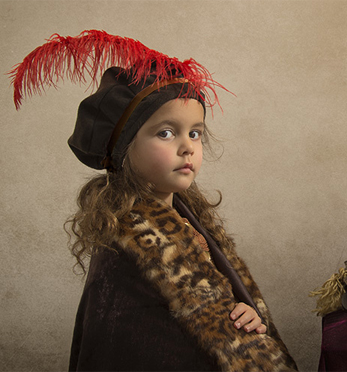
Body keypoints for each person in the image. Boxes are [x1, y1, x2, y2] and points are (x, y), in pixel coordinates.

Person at [10, 30, 297, 371]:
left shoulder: (189, 218)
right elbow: (141, 344)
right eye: (165, 132)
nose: (187, 146)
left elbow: (213, 304)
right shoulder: (127, 243)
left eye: (195, 133)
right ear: (125, 150)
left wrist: (242, 315)